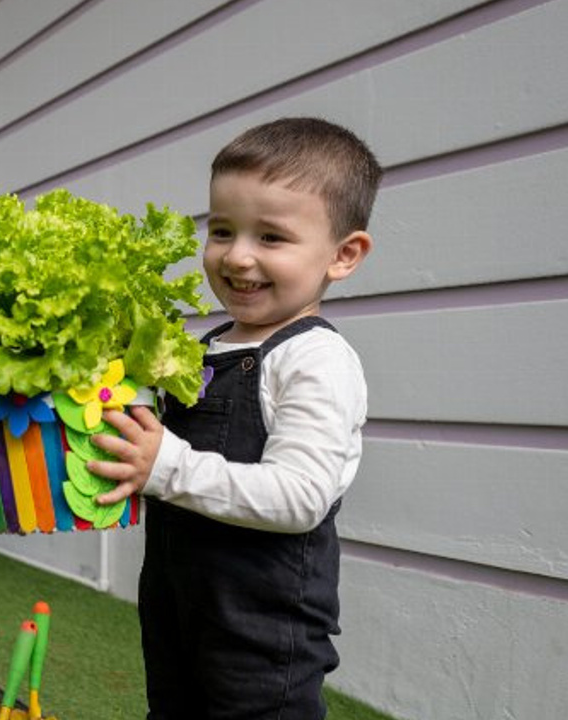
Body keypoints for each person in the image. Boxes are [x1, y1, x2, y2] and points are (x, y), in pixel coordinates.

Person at [89, 117, 379, 720]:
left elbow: (301, 496)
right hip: (178, 605)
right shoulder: (206, 346)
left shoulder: (315, 358)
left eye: (271, 238)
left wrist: (165, 466)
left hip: (263, 634)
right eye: (222, 230)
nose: (237, 255)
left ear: (343, 254)